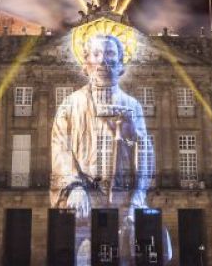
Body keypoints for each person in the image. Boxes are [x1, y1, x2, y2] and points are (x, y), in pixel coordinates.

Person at [50, 32, 152, 262]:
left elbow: (145, 153)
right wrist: (74, 186)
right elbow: (60, 147)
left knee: (125, 257)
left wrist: (138, 195)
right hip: (84, 197)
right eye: (96, 54)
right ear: (86, 63)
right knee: (80, 257)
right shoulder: (70, 104)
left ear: (120, 63)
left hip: (123, 198)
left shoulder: (132, 106)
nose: (103, 60)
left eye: (110, 54)